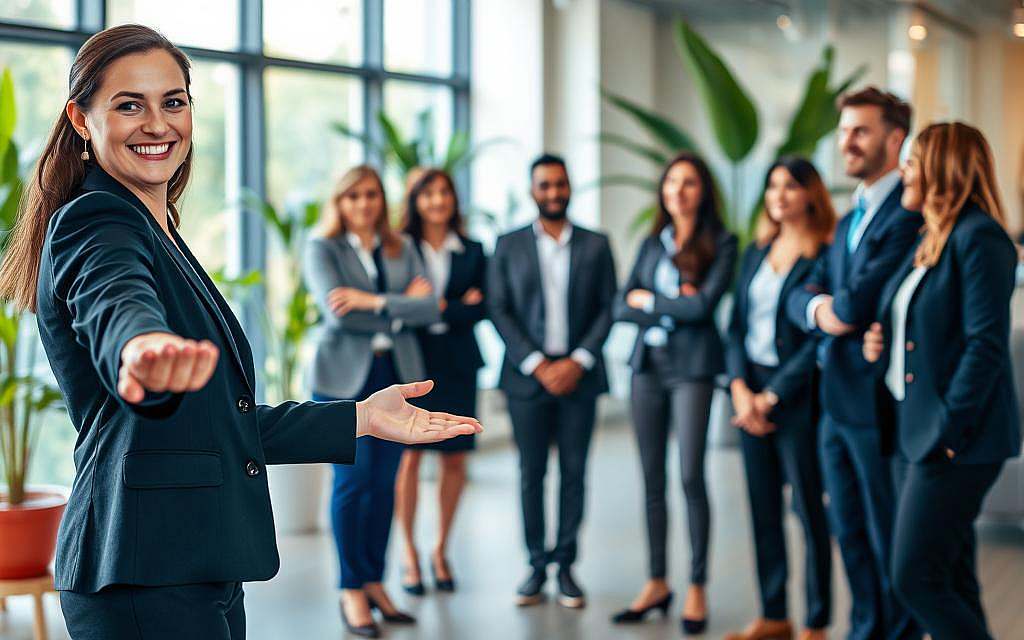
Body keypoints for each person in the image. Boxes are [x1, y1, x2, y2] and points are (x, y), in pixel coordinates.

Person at [0, 25, 480, 640]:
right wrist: (140, 346)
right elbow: (116, 299)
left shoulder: (159, 229)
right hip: (144, 572)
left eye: (173, 102)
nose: (157, 123)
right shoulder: (98, 221)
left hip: (196, 561)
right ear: (82, 120)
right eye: (129, 105)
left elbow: (221, 419)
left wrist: (358, 416)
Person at [863, 122, 1021, 640]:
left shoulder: (981, 238)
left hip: (954, 441)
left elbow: (985, 347)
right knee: (950, 574)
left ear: (941, 167)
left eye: (912, 160)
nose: (903, 170)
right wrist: (880, 340)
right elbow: (914, 325)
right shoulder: (932, 237)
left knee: (913, 577)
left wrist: (947, 434)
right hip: (913, 431)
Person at [785, 87, 921, 640]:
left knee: (888, 534)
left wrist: (828, 307)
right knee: (849, 532)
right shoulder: (848, 219)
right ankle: (865, 630)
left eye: (860, 130)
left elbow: (859, 303)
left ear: (895, 138)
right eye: (844, 131)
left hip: (876, 405)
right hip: (833, 404)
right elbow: (809, 291)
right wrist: (824, 310)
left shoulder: (908, 216)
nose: (848, 142)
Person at [303, 164, 444, 637]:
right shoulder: (321, 248)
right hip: (342, 381)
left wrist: (372, 303)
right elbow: (337, 316)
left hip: (393, 374)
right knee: (352, 483)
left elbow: (432, 306)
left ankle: (375, 582)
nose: (364, 204)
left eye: (371, 195)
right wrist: (400, 304)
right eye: (353, 196)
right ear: (340, 203)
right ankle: (351, 588)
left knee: (385, 483)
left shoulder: (400, 247)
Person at [610, 152, 737, 635]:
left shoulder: (722, 242)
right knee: (651, 480)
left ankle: (698, 584)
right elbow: (623, 304)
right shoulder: (651, 243)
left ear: (703, 191)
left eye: (688, 183)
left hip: (693, 370)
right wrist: (670, 307)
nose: (677, 191)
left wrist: (653, 303)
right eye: (671, 183)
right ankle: (657, 580)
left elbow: (703, 308)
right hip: (647, 368)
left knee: (689, 474)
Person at [487, 153, 616, 609]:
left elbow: (608, 306)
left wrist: (577, 360)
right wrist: (538, 363)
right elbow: (498, 308)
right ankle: (536, 564)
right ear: (532, 191)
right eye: (545, 185)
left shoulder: (597, 244)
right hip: (527, 378)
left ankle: (566, 566)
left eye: (560, 184)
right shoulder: (508, 244)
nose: (554, 192)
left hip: (580, 375)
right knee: (531, 472)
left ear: (570, 187)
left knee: (575, 473)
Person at [722, 157, 835, 640]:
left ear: (811, 194)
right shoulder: (756, 251)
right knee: (762, 509)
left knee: (810, 511)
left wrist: (771, 397)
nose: (780, 195)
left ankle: (815, 621)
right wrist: (741, 389)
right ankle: (774, 615)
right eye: (773, 186)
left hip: (797, 396)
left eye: (791, 186)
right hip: (752, 392)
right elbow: (735, 329)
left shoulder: (825, 255)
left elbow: (817, 341)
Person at [393, 168, 487, 595]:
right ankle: (410, 554)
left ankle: (441, 550)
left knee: (455, 458)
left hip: (459, 365)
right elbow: (398, 306)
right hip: (412, 363)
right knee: (409, 459)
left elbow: (481, 309)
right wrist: (451, 305)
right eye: (427, 193)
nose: (437, 201)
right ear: (415, 200)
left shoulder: (472, 250)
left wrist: (431, 305)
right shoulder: (399, 248)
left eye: (444, 192)